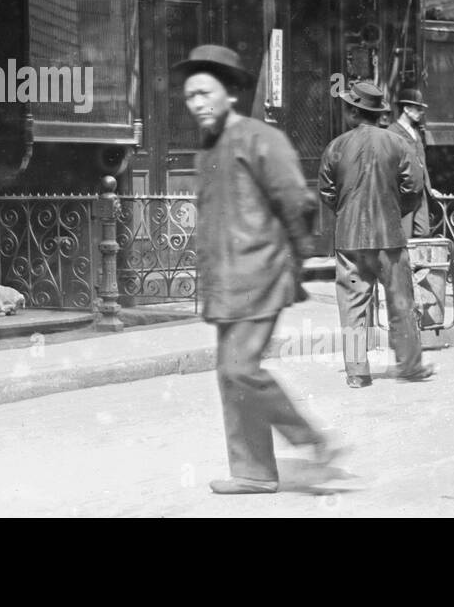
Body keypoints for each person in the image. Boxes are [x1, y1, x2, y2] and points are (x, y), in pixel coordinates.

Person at [174, 44, 343, 495]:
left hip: (262, 274)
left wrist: (298, 262)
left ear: (230, 93)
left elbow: (296, 202)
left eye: (205, 92)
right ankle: (252, 471)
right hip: (227, 282)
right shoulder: (206, 152)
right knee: (230, 374)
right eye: (190, 96)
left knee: (239, 369)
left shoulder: (261, 139)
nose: (197, 103)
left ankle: (312, 440)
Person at [319, 80, 433, 388]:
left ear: (354, 112)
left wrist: (346, 214)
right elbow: (414, 188)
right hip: (389, 243)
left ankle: (357, 373)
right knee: (400, 303)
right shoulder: (399, 144)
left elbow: (327, 193)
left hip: (350, 245)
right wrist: (395, 211)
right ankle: (410, 366)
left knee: (353, 305)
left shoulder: (336, 146)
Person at [389, 88, 434, 238]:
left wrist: (429, 186)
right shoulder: (392, 132)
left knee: (423, 231)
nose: (421, 112)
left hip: (420, 192)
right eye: (418, 109)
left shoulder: (417, 132)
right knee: (404, 234)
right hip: (404, 192)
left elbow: (422, 162)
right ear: (407, 109)